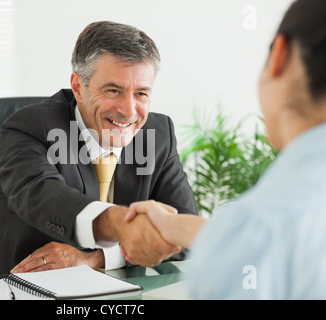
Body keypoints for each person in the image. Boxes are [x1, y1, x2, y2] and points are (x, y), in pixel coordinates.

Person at [124, 0, 326, 299]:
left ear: (279, 55)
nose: (128, 109)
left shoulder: (259, 227)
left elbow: (258, 239)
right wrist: (171, 225)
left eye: (141, 92)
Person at [0, 21, 198, 276]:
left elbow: (185, 238)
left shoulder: (158, 134)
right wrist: (123, 227)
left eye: (141, 94)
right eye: (113, 90)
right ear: (77, 88)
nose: (128, 111)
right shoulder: (30, 127)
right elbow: (46, 196)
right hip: (26, 288)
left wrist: (99, 257)